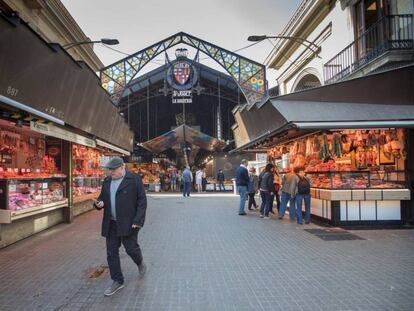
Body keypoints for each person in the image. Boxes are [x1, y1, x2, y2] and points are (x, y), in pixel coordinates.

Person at [94, 157, 147, 297]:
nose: (111, 173)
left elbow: (142, 200)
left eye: (113, 170)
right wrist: (99, 204)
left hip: (129, 223)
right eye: (109, 170)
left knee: (131, 249)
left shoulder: (134, 179)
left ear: (122, 167)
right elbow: (102, 198)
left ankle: (140, 262)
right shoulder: (107, 181)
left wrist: (138, 220)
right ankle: (117, 280)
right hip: (111, 223)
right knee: (111, 253)